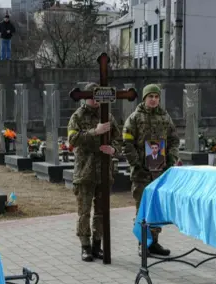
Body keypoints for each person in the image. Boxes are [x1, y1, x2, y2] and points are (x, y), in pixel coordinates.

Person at [122, 84, 179, 257]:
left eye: (156, 96)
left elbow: (174, 140)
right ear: (144, 98)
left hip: (160, 172)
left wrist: (170, 160)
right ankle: (142, 243)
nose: (153, 99)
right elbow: (127, 143)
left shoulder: (165, 117)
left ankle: (154, 242)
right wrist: (137, 163)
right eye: (150, 96)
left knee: (156, 209)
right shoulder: (135, 118)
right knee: (143, 209)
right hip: (142, 173)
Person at [67, 83, 122, 262]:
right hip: (85, 171)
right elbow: (73, 139)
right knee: (84, 212)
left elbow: (118, 139)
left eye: (98, 97)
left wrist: (113, 150)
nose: (95, 100)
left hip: (104, 171)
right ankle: (85, 246)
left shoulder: (108, 116)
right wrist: (94, 132)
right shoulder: (78, 116)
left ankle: (98, 245)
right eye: (92, 96)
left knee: (101, 211)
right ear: (85, 97)